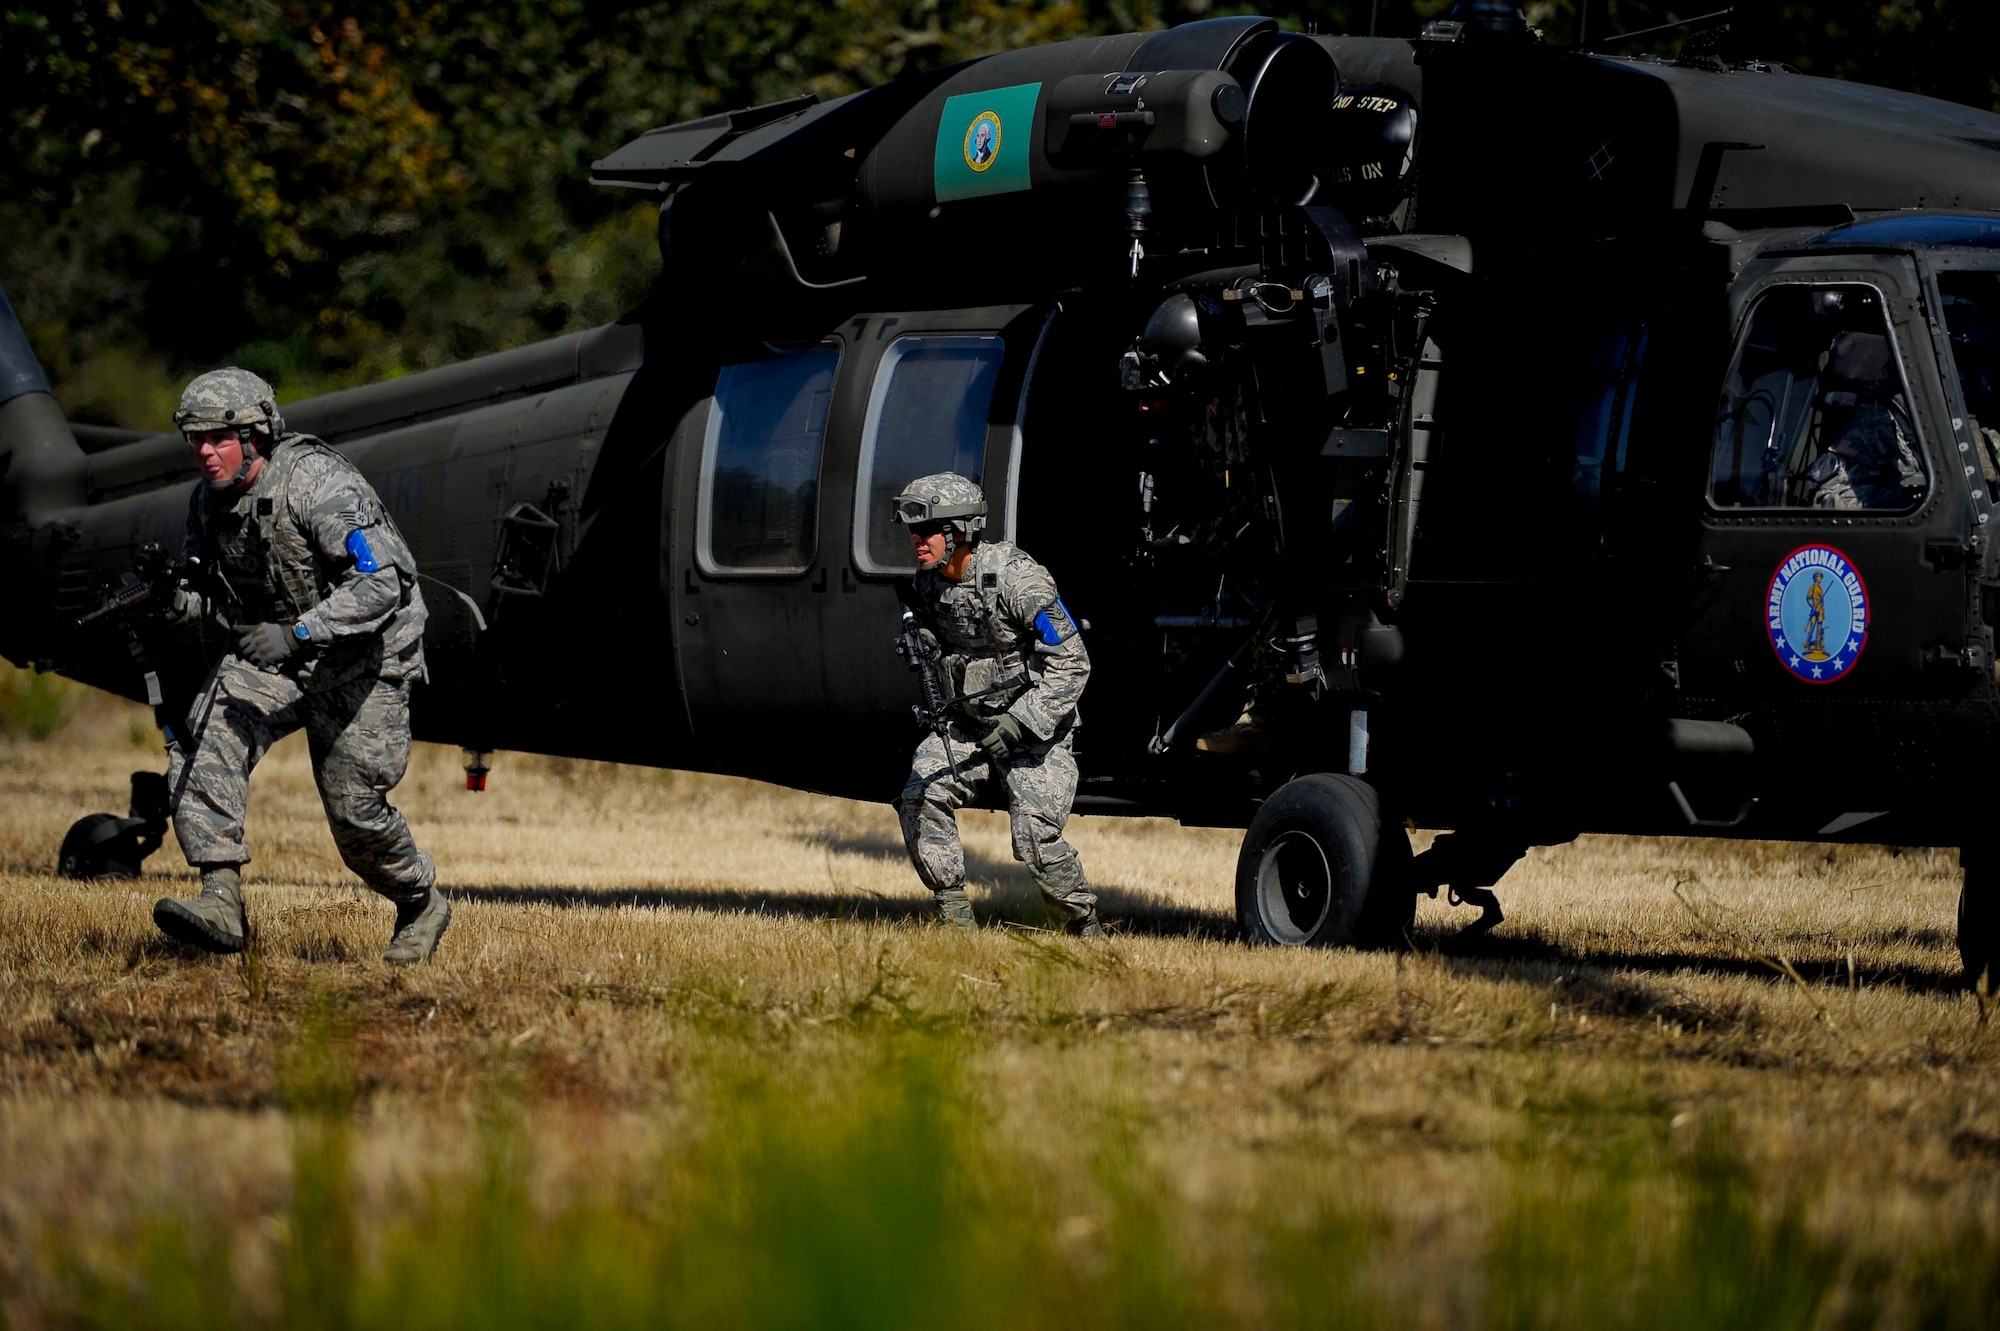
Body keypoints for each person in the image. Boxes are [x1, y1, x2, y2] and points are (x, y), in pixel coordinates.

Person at [150, 368, 449, 964]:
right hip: (278, 653)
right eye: (195, 440)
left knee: (355, 815)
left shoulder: (319, 483)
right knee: (200, 741)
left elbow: (382, 582)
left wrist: (297, 633)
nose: (205, 453)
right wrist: (180, 602)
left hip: (362, 659)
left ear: (256, 435)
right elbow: (217, 593)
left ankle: (420, 900)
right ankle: (220, 897)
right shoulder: (207, 504)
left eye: (219, 438)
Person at [891, 472, 1100, 935]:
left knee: (1036, 839)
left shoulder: (1017, 579)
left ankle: (1081, 927)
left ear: (959, 532)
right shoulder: (928, 583)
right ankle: (955, 918)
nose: (916, 540)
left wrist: (1019, 724)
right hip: (968, 726)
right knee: (920, 796)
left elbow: (1072, 663)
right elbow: (939, 637)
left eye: (926, 531)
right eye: (913, 531)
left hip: (1034, 734)